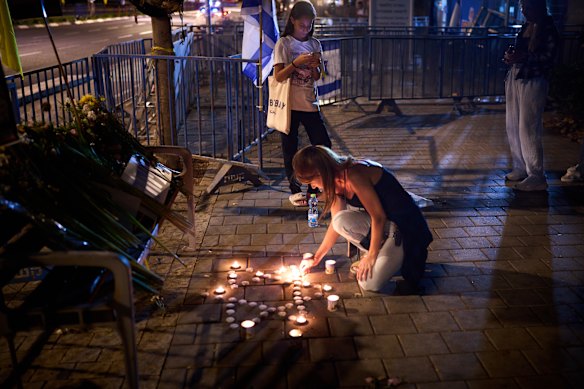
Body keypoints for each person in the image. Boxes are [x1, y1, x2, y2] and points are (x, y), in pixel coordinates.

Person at [295, 146, 433, 293]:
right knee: (339, 221)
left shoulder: (355, 174)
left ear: (321, 172)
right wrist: (317, 258)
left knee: (369, 284)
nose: (312, 186)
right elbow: (336, 225)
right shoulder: (334, 184)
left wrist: (372, 256)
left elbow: (378, 216)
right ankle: (383, 252)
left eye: (311, 181)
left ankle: (387, 254)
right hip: (386, 225)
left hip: (404, 227)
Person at [273, 1, 332, 206]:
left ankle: (313, 189)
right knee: (290, 148)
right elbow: (278, 76)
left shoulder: (315, 44)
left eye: (309, 26)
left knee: (323, 145)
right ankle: (295, 190)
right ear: (292, 21)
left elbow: (316, 77)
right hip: (289, 105)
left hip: (309, 102)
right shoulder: (285, 43)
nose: (306, 30)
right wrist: (296, 63)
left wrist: (316, 66)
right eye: (302, 26)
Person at [503, 0, 559, 191]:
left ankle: (536, 174)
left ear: (538, 8)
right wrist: (511, 56)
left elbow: (549, 58)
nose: (524, 12)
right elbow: (521, 50)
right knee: (513, 124)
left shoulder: (547, 29)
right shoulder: (527, 26)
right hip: (517, 76)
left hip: (533, 79)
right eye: (523, 9)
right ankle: (520, 167)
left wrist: (524, 57)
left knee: (528, 126)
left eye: (528, 8)